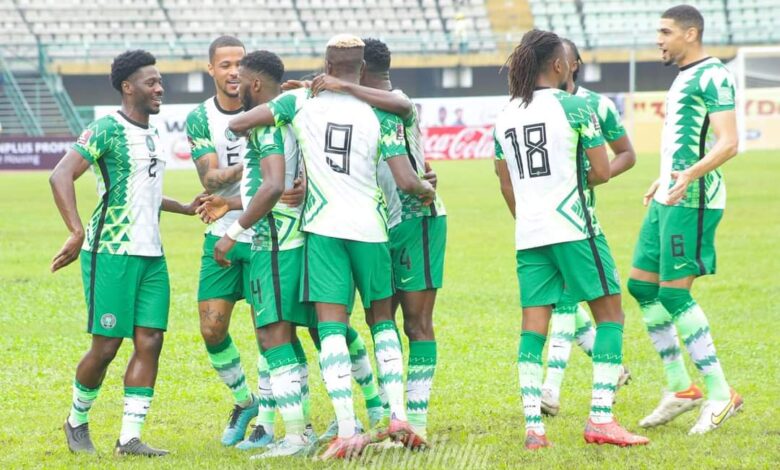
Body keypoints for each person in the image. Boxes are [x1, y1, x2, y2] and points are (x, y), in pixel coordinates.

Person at [228, 34, 436, 459]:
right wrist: (426, 192)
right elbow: (404, 178)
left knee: (331, 328)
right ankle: (397, 415)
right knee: (383, 323)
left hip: (324, 230)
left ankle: (346, 429)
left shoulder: (300, 104)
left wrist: (297, 97)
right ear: (361, 70)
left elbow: (239, 123)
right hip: (372, 229)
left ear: (325, 63)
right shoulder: (380, 112)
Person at [493, 30, 649, 449]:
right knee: (611, 316)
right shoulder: (577, 107)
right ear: (560, 66)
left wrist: (527, 214)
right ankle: (601, 418)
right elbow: (600, 172)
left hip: (529, 233)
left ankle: (534, 429)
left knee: (532, 327)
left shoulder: (504, 114)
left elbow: (503, 178)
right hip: (575, 226)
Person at [51, 50, 201, 457]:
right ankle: (76, 420)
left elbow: (143, 193)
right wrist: (76, 230)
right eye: (151, 82)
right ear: (127, 86)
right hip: (112, 251)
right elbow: (61, 173)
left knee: (150, 339)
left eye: (160, 82)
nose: (159, 88)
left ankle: (129, 438)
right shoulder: (106, 129)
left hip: (152, 255)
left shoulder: (153, 134)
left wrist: (184, 208)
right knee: (106, 346)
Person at [303, 37, 447, 449]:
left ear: (361, 72)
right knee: (382, 321)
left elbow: (409, 164)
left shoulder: (393, 99)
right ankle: (385, 417)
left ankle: (413, 421)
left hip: (418, 218)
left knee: (415, 325)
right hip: (382, 222)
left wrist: (341, 85)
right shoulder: (361, 107)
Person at [198, 50, 319, 458]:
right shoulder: (293, 110)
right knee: (286, 334)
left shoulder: (267, 122)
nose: (235, 82)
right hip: (285, 237)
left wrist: (232, 232)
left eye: (241, 76)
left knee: (274, 335)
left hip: (275, 241)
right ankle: (298, 429)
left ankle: (296, 435)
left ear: (254, 84)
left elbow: (269, 187)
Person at [629, 4, 742, 434]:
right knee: (641, 285)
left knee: (674, 295)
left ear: (690, 34)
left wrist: (689, 174)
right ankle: (681, 388)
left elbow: (728, 142)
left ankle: (719, 393)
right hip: (669, 195)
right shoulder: (683, 77)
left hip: (694, 198)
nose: (658, 39)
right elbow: (683, 141)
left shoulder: (714, 74)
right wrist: (661, 180)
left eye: (665, 31)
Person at [540, 37, 637, 416]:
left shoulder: (596, 105)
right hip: (542, 218)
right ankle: (611, 369)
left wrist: (591, 179)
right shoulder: (536, 105)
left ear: (573, 64)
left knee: (564, 299)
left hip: (579, 218)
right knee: (559, 298)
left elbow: (626, 154)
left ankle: (551, 388)